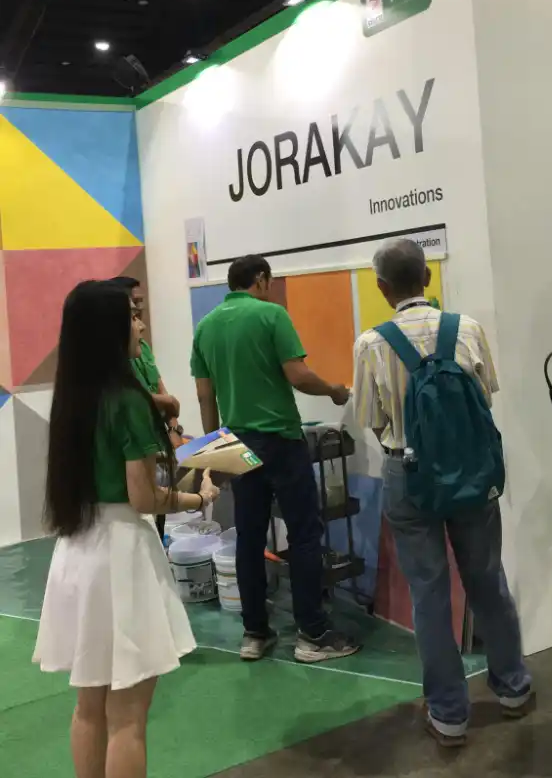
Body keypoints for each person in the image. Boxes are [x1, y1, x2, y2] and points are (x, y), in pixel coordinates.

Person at [34, 280, 219, 778]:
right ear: (109, 329)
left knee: (88, 708)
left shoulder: (72, 399)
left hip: (77, 552)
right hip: (122, 558)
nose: (140, 325)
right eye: (132, 316)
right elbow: (143, 497)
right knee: (128, 719)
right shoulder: (128, 401)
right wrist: (198, 498)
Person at [353, 239, 531, 746]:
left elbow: (371, 419)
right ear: (427, 277)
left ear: (382, 288)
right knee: (488, 579)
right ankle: (514, 688)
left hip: (408, 475)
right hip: (472, 473)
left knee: (429, 594)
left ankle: (450, 715)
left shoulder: (371, 343)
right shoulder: (467, 329)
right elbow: (485, 396)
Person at [190, 254, 359, 664]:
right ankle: (312, 634)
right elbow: (298, 376)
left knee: (249, 537)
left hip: (236, 443)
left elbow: (204, 395)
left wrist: (214, 451)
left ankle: (255, 633)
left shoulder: (206, 327)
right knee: (304, 534)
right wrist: (335, 390)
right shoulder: (272, 315)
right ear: (262, 280)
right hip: (281, 440)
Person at [111, 276, 184, 540]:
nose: (140, 317)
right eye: (134, 306)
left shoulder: (141, 347)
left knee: (157, 520)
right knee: (144, 512)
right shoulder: (116, 360)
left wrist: (174, 428)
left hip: (156, 442)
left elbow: (159, 387)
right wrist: (202, 498)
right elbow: (136, 397)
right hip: (139, 450)